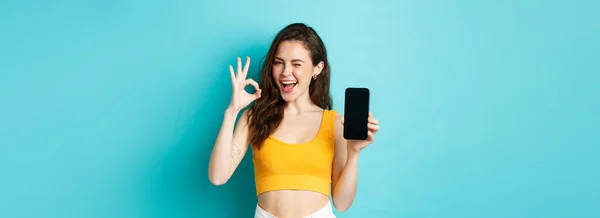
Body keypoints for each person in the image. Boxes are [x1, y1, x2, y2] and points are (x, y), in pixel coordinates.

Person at [208, 23, 380, 218]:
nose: (285, 72)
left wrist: (354, 152)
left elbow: (341, 204)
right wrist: (232, 111)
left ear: (317, 68)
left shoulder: (335, 123)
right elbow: (217, 176)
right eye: (278, 62)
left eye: (296, 64)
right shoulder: (255, 118)